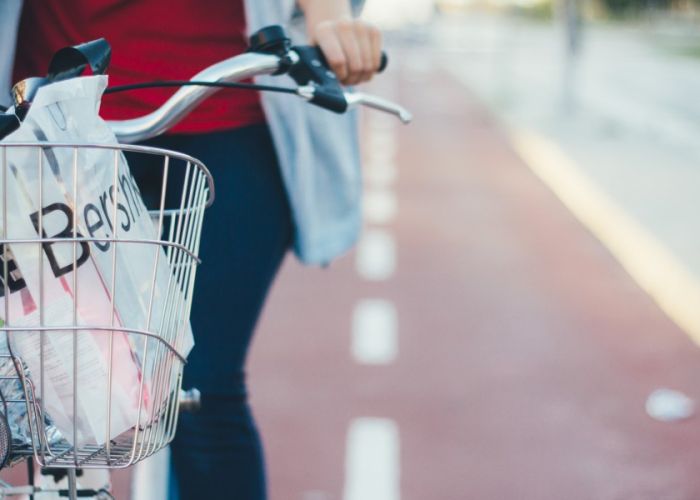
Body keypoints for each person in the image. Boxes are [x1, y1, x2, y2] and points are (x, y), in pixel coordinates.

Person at [13, 1, 382, 498]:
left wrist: (330, 17)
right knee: (59, 386)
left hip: (226, 116)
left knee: (203, 387)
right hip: (50, 124)